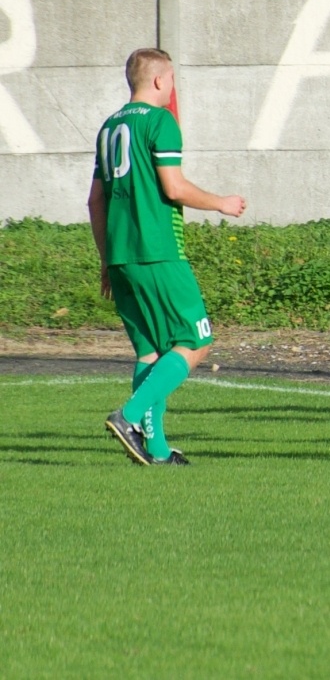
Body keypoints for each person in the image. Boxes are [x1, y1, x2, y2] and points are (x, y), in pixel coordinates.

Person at [93, 48, 246, 465]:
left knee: (151, 350)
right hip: (159, 252)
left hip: (122, 256)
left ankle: (156, 451)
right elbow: (174, 188)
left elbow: (95, 201)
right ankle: (127, 417)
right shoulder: (161, 122)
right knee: (196, 342)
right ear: (160, 81)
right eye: (173, 79)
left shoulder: (109, 128)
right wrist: (221, 203)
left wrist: (106, 260)